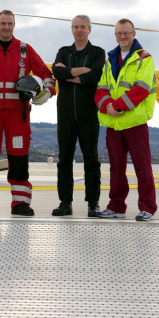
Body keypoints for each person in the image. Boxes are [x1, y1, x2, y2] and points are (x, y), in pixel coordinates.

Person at [0, 10, 55, 217]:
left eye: (10, 23)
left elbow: (46, 74)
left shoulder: (26, 50)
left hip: (18, 115)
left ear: (14, 25)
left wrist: (48, 92)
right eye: (3, 23)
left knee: (19, 158)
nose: (6, 27)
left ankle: (21, 203)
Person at [94, 18, 158, 221]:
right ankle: (116, 206)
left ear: (134, 34)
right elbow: (101, 89)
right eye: (119, 33)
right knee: (116, 168)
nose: (123, 36)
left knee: (143, 166)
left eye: (126, 33)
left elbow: (142, 88)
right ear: (115, 35)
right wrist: (107, 107)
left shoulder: (144, 58)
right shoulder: (109, 59)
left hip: (135, 122)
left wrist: (118, 106)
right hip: (113, 123)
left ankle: (147, 207)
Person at [51, 15, 105, 217]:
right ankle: (65, 203)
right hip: (65, 116)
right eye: (76, 27)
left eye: (82, 27)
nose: (79, 30)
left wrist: (68, 74)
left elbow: (95, 76)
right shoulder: (63, 52)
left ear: (89, 30)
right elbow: (57, 73)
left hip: (89, 115)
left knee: (92, 160)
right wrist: (79, 73)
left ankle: (93, 203)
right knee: (64, 160)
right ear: (72, 30)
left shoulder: (97, 52)